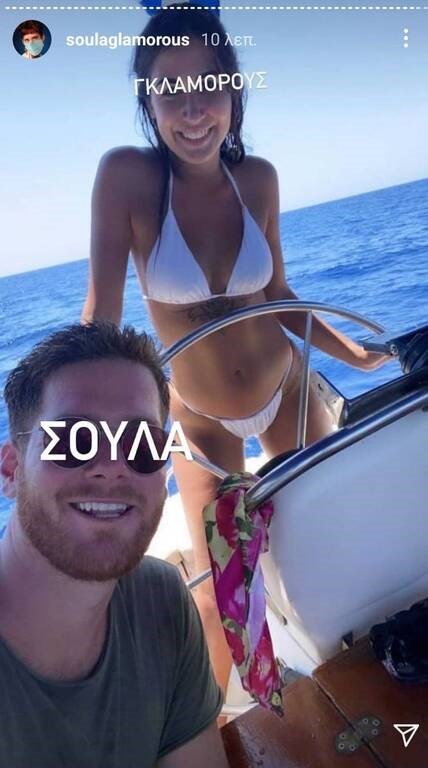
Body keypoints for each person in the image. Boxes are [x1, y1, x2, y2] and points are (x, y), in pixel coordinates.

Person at [81, 4, 389, 693]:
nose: (193, 110)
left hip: (288, 391)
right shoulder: (127, 178)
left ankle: (359, 686)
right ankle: (217, 724)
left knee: (324, 544)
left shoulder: (260, 180)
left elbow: (279, 294)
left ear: (233, 90)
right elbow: (101, 317)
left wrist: (361, 355)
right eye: (171, 91)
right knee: (221, 595)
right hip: (199, 421)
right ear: (148, 101)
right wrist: (72, 424)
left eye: (208, 86)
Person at [0, 321, 229, 768]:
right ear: (11, 470)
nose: (111, 466)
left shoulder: (161, 599)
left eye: (142, 444)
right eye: (75, 441)